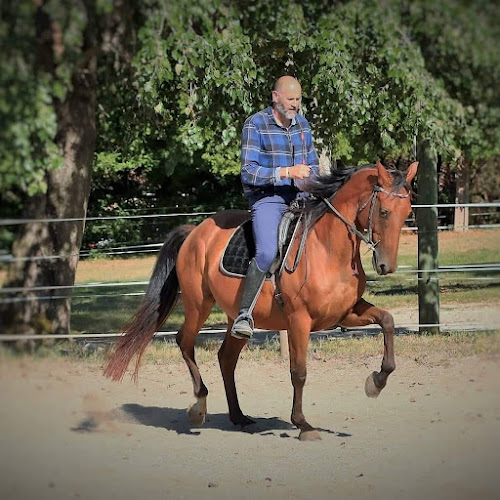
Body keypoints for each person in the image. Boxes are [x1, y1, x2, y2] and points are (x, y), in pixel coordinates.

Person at [231, 75, 319, 340]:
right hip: (268, 198)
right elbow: (248, 172)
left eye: (299, 99)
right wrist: (286, 172)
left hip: (301, 198)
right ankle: (244, 314)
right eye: (291, 99)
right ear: (275, 97)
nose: (296, 104)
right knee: (268, 251)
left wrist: (313, 181)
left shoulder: (302, 125)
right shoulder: (255, 124)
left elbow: (312, 165)